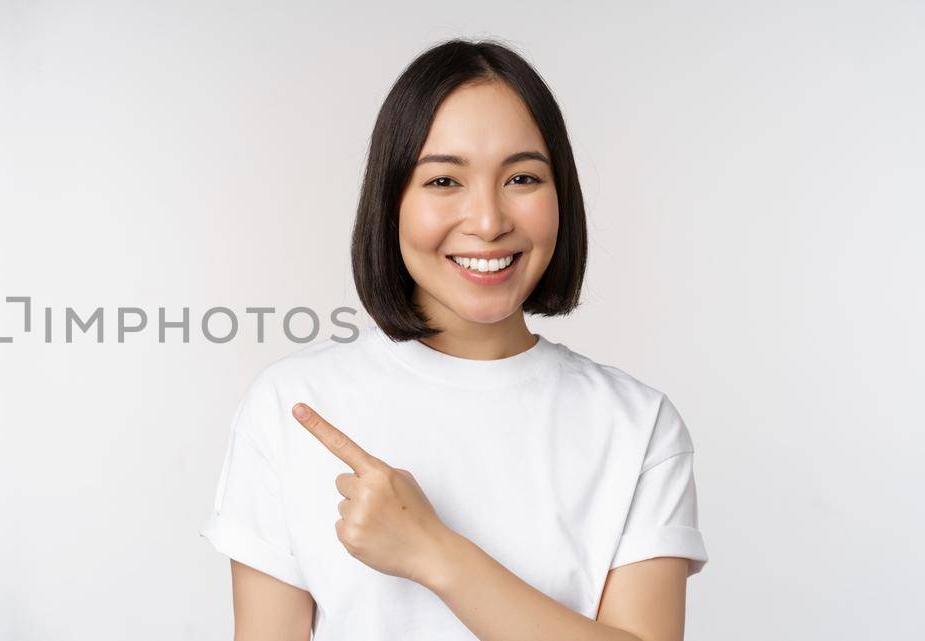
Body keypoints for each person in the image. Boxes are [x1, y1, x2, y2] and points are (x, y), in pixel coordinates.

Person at [198, 38, 708, 641]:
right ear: (391, 203)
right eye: (444, 181)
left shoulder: (637, 425)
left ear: (561, 197)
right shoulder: (296, 405)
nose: (489, 222)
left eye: (522, 177)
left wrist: (434, 554)